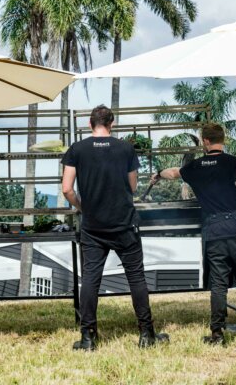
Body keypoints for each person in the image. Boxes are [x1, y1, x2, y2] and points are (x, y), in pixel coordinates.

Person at [150, 122, 236, 347]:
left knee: (219, 284)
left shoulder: (195, 166)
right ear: (222, 140)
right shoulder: (233, 163)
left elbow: (172, 172)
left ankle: (217, 334)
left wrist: (157, 175)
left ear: (205, 141)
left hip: (214, 230)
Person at [61, 105, 169, 351]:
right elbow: (132, 187)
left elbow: (67, 189)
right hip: (124, 224)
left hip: (93, 226)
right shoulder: (125, 148)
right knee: (136, 277)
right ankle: (146, 333)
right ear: (112, 124)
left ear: (90, 124)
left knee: (90, 279)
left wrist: (82, 207)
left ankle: (88, 338)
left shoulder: (77, 149)